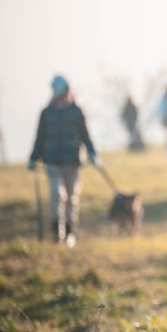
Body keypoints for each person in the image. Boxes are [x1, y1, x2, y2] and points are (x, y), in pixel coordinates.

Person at [28, 76, 98, 247]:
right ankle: (57, 234)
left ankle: (70, 233)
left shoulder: (76, 111)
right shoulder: (46, 113)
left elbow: (85, 135)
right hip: (52, 161)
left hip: (73, 161)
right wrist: (33, 158)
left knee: (72, 198)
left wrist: (92, 153)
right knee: (56, 196)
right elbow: (40, 137)